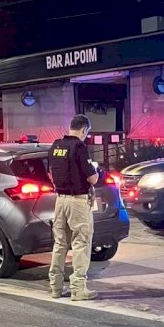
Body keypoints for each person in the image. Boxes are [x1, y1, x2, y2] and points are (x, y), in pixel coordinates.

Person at [48, 114, 99, 301]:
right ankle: (78, 289)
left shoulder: (55, 146)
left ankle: (55, 287)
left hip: (59, 200)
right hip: (77, 201)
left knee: (60, 243)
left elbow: (51, 175)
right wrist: (95, 170)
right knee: (81, 243)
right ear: (84, 129)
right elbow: (92, 178)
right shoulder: (79, 147)